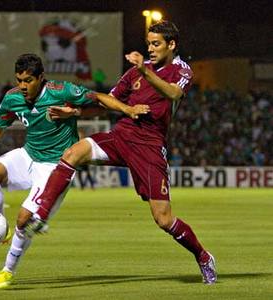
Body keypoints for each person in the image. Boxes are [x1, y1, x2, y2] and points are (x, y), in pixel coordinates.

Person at [28, 21, 217, 285]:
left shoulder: (181, 70)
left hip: (150, 147)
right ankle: (42, 214)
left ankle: (203, 256)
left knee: (163, 219)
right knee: (73, 153)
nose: (150, 49)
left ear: (171, 45)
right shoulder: (134, 73)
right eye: (148, 43)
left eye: (156, 44)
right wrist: (76, 112)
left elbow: (174, 93)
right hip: (121, 136)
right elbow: (110, 101)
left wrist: (146, 71)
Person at [0, 53, 149, 288]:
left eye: (28, 80)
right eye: (19, 80)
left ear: (41, 78)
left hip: (54, 167)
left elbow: (98, 98)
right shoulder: (13, 98)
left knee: (24, 219)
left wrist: (128, 110)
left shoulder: (62, 91)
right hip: (28, 154)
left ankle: (7, 270)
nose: (23, 86)